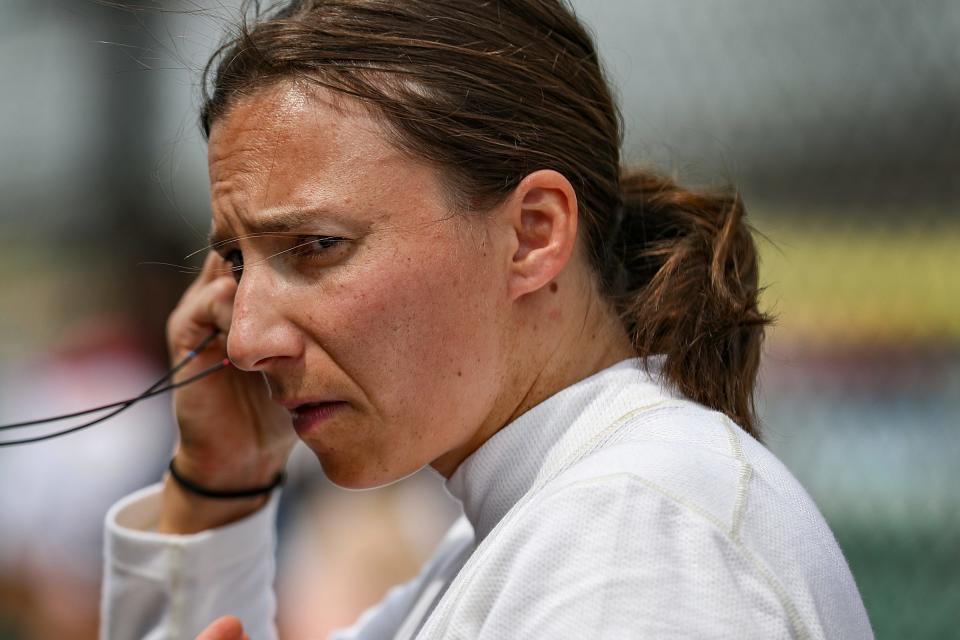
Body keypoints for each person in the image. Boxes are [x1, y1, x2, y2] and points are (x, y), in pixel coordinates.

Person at [100, 1, 873, 638]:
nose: (243, 341)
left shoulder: (633, 540)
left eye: (316, 246)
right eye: (237, 263)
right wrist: (218, 483)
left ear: (533, 234)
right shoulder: (526, 532)